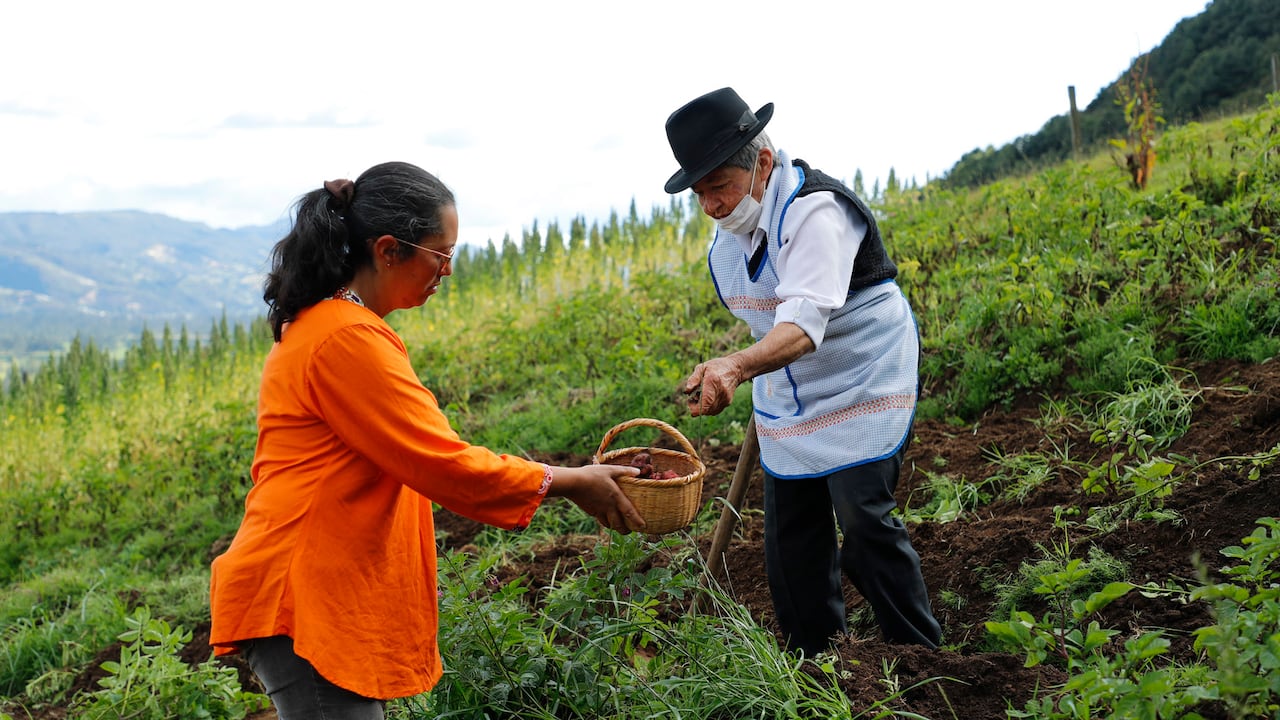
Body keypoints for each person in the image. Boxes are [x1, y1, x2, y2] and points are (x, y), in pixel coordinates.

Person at [209, 161, 645, 719]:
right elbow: (443, 463)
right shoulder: (345, 340)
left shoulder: (333, 327)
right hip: (305, 591)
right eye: (442, 256)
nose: (447, 272)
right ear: (389, 250)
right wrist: (572, 481)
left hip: (317, 587)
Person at [662, 88, 941, 656]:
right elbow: (765, 319)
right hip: (790, 383)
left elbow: (804, 325)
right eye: (700, 193)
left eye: (720, 186)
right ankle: (815, 667)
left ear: (761, 162)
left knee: (863, 522)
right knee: (790, 544)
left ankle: (920, 661)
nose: (712, 205)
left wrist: (736, 367)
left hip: (863, 370)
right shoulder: (727, 245)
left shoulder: (816, 210)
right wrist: (738, 371)